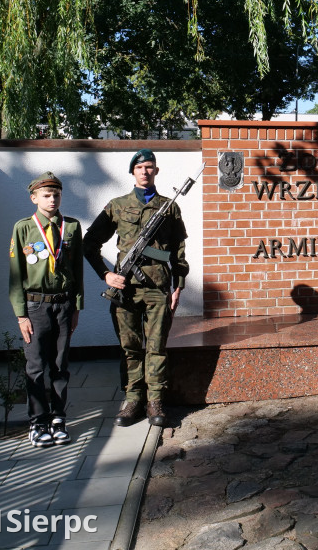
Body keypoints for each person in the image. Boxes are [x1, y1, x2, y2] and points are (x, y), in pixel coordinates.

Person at [84, 149, 188, 427]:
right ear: (132, 172)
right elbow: (89, 244)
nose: (145, 171)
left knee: (156, 347)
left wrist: (179, 286)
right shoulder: (117, 205)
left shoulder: (169, 207)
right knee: (129, 347)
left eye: (150, 166)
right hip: (125, 289)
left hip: (158, 289)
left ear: (156, 171)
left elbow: (178, 252)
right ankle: (132, 400)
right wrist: (105, 275)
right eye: (140, 167)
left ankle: (155, 402)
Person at [8, 172, 83, 448]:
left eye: (57, 195)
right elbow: (16, 275)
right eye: (47, 195)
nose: (52, 200)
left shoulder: (72, 227)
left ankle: (58, 418)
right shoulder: (24, 228)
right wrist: (20, 315)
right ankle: (38, 422)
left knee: (60, 365)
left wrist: (77, 306)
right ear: (34, 198)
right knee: (37, 366)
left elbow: (77, 271)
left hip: (63, 304)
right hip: (36, 306)